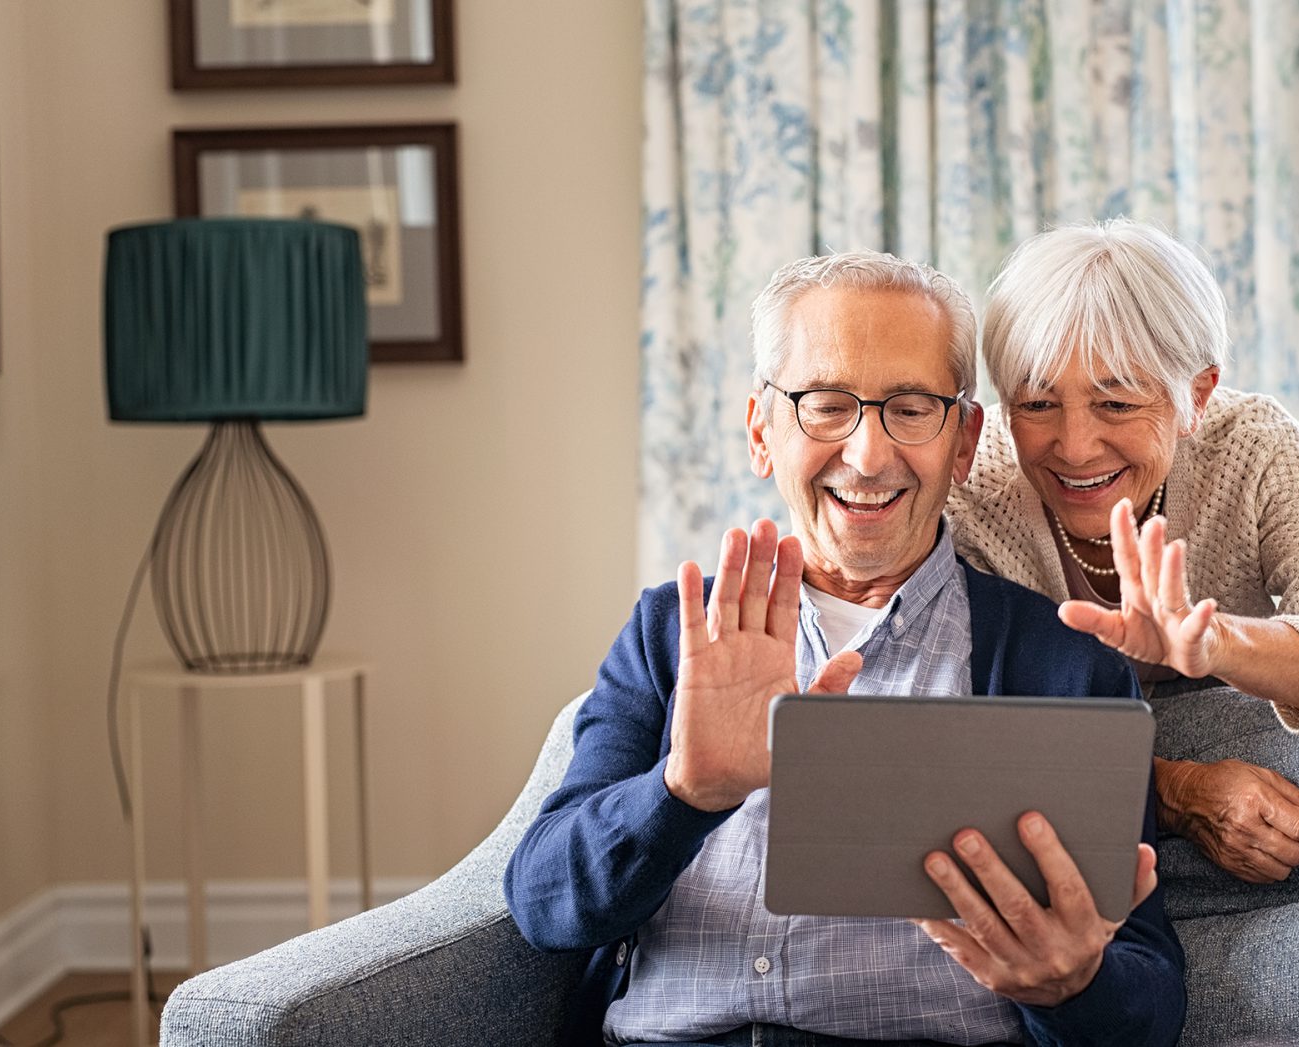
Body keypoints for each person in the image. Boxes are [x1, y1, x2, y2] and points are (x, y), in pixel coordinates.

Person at [505, 252, 1185, 1046]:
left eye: (910, 408)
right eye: (826, 405)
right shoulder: (671, 632)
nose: (867, 456)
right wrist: (682, 793)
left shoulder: (1062, 662)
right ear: (763, 432)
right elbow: (543, 903)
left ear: (964, 441)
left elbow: (1151, 1007)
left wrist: (1076, 985)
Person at [947, 219, 1299, 885]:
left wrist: (1217, 643)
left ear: (1198, 395)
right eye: (1037, 403)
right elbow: (961, 742)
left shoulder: (1253, 447)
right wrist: (1176, 790)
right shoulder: (973, 493)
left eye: (1116, 402)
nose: (1075, 445)